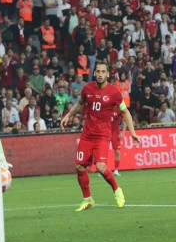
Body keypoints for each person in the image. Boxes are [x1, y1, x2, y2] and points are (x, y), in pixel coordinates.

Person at [60, 60, 140, 211]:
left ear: (108, 74)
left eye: (103, 72)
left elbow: (125, 112)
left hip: (102, 136)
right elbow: (80, 103)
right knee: (80, 166)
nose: (100, 74)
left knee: (101, 167)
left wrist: (133, 132)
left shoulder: (114, 92)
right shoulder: (87, 88)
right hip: (87, 135)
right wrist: (68, 115)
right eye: (98, 71)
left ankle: (117, 190)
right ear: (94, 73)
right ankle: (87, 199)